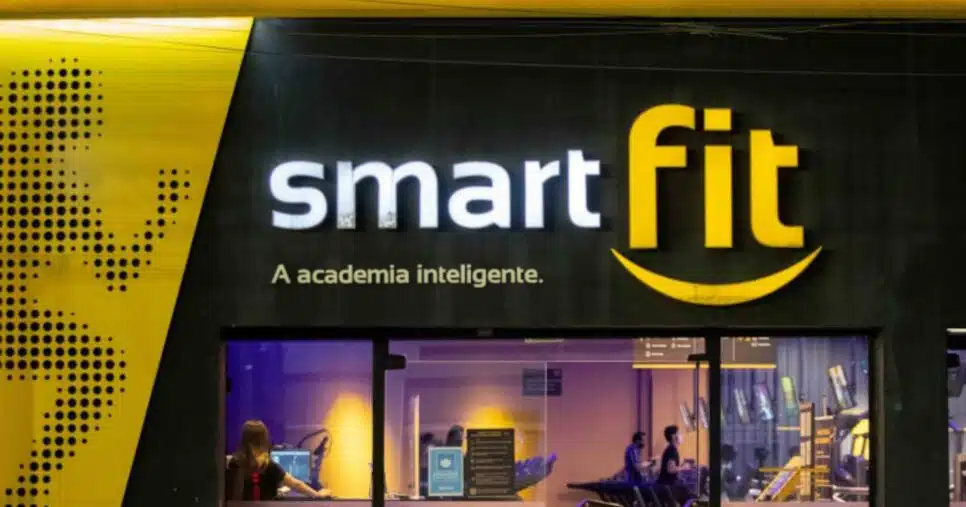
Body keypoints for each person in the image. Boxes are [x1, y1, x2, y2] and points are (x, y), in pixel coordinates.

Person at [226, 420, 332, 501]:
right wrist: (317, 495)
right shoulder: (267, 465)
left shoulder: (232, 463)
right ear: (264, 440)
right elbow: (296, 484)